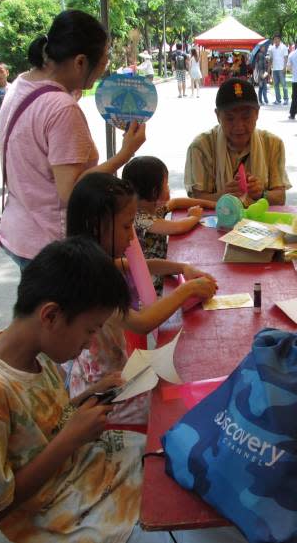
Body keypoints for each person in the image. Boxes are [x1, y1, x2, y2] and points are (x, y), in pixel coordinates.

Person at [0, 235, 143, 542]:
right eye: (89, 330)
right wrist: (69, 439)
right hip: (62, 519)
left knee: (170, 456)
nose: (90, 342)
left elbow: (47, 423)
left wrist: (91, 393)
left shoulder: (38, 351)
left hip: (89, 474)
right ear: (51, 315)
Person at [0, 10, 145, 270]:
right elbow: (71, 192)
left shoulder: (21, 85)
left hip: (20, 231)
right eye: (104, 60)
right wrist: (126, 153)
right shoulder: (62, 108)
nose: (104, 68)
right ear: (80, 62)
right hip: (52, 243)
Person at [64, 173, 217, 426]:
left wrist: (181, 267)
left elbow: (140, 266)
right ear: (96, 224)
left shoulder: (93, 258)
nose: (132, 236)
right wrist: (187, 290)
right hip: (102, 392)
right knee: (173, 414)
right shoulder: (88, 277)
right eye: (126, 227)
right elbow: (141, 322)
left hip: (114, 372)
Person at [184, 77, 291, 206]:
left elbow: (280, 198)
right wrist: (223, 196)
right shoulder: (201, 148)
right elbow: (196, 199)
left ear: (257, 114)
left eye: (246, 117)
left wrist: (261, 193)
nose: (239, 126)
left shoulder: (273, 144)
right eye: (230, 118)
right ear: (218, 116)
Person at [122, 156, 216, 295]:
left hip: (163, 268)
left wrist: (209, 204)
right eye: (166, 184)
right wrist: (194, 217)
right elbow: (178, 228)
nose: (169, 188)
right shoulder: (139, 218)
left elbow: (176, 202)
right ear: (155, 192)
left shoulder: (153, 208)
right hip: (149, 282)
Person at [269, 34, 289, 105]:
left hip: (281, 68)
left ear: (279, 39)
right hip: (274, 69)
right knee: (276, 85)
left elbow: (286, 58)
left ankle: (286, 99)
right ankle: (278, 99)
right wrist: (269, 69)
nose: (276, 40)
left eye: (277, 39)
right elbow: (271, 59)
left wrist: (285, 67)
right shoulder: (272, 48)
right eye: (274, 39)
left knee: (284, 84)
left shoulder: (283, 47)